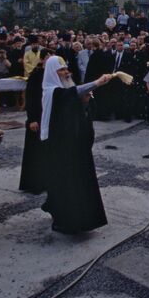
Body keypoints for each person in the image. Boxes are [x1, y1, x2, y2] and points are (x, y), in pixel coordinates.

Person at [40, 56, 112, 234]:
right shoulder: (52, 92)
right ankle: (64, 220)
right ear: (52, 73)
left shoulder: (68, 90)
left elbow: (80, 109)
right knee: (65, 185)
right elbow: (69, 96)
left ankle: (84, 220)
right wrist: (96, 83)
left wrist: (86, 102)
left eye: (66, 69)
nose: (66, 73)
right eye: (61, 70)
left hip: (77, 146)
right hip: (61, 148)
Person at [19, 49, 50, 194]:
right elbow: (31, 98)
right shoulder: (36, 75)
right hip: (36, 118)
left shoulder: (51, 75)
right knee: (34, 152)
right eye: (48, 58)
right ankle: (33, 183)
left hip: (47, 118)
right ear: (42, 60)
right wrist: (31, 119)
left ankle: (45, 181)